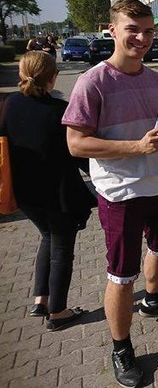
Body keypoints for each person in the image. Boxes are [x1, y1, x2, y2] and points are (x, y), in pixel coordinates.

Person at [62, 0, 158, 388]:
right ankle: (121, 347)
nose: (142, 38)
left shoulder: (157, 81)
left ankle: (155, 299)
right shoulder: (92, 82)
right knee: (121, 275)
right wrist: (136, 147)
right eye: (133, 29)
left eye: (149, 31)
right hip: (120, 191)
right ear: (112, 30)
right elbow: (76, 144)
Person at [2, 51, 96, 331]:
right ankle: (58, 312)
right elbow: (79, 153)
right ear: (53, 77)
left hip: (25, 194)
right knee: (61, 250)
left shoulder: (9, 103)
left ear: (21, 73)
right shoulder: (61, 111)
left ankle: (40, 300)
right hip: (58, 195)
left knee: (47, 237)